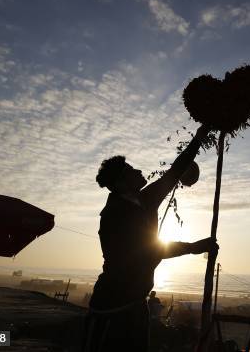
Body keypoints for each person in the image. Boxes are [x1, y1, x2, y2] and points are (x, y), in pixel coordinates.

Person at [82, 125, 217, 351]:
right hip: (113, 307)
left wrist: (199, 137)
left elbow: (175, 172)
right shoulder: (114, 215)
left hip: (135, 302)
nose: (137, 171)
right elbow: (150, 252)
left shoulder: (145, 199)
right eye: (130, 170)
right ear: (120, 183)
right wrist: (192, 247)